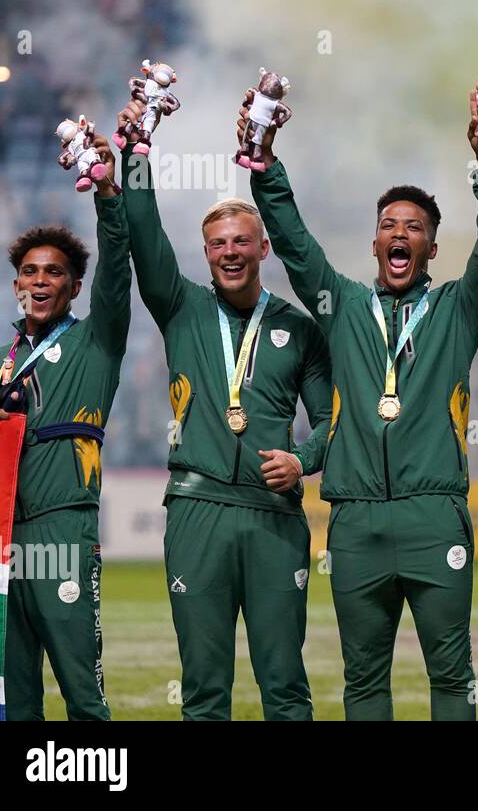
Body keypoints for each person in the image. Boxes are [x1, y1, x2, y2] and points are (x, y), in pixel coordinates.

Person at [244, 95, 478, 721]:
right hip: (356, 522)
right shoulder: (340, 306)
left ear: (433, 250)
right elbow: (294, 243)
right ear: (374, 243)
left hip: (433, 514)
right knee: (363, 681)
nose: (400, 233)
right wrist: (264, 166)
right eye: (390, 224)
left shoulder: (458, 308)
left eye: (415, 227)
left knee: (452, 674)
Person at [115, 99, 331, 720]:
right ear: (205, 253)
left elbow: (332, 422)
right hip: (197, 508)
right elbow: (143, 233)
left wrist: (304, 461)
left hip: (273, 516)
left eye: (242, 242)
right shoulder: (179, 307)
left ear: (264, 248)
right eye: (217, 245)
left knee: (285, 686)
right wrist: (136, 153)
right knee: (204, 690)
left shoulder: (300, 328)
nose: (229, 253)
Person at [0, 133, 130, 720]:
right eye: (29, 272)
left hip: (63, 531)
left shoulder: (98, 341)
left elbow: (118, 270)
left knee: (80, 689)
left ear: (74, 286)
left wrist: (108, 196)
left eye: (54, 273)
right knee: (14, 691)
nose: (40, 281)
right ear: (16, 284)